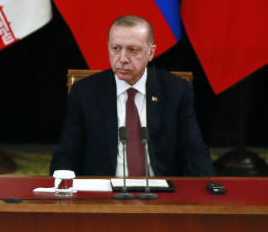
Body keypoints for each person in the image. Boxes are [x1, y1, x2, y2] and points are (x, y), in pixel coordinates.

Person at [50, 15, 214, 177]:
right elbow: (66, 155)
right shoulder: (85, 92)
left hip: (161, 194)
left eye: (132, 50)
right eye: (116, 49)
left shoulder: (176, 91)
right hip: (102, 195)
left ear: (151, 52)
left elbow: (195, 155)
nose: (122, 59)